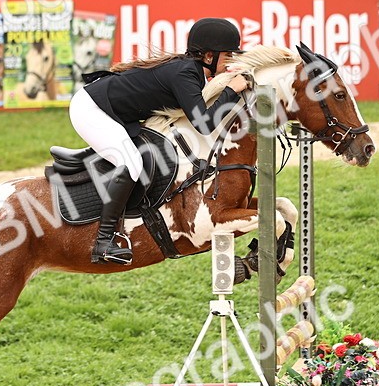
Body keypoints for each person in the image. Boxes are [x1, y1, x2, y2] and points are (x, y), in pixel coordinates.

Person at [68, 17, 250, 264]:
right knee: (131, 163)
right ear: (209, 56)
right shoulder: (185, 74)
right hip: (91, 110)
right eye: (228, 54)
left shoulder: (191, 71)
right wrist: (232, 90)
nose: (231, 60)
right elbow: (204, 123)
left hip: (110, 109)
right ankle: (104, 241)